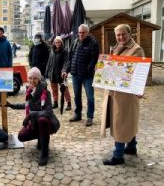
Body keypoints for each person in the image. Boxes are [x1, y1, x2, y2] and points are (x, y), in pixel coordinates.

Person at [101, 24, 145, 165]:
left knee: (121, 122)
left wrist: (112, 67)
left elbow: (135, 73)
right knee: (126, 122)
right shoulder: (116, 48)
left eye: (123, 34)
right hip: (116, 93)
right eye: (118, 35)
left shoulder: (136, 50)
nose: (120, 37)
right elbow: (111, 68)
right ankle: (131, 147)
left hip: (126, 96)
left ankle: (118, 156)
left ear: (129, 34)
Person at [7, 67, 60, 166]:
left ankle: (44, 153)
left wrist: (31, 114)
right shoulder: (30, 90)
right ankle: (41, 137)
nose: (32, 81)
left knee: (42, 120)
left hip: (49, 123)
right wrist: (12, 105)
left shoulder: (45, 92)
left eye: (35, 78)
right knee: (21, 136)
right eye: (30, 78)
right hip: (35, 122)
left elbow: (48, 111)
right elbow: (26, 105)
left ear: (39, 79)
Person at [62, 24, 99, 127]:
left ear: (88, 32)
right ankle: (78, 114)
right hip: (75, 75)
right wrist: (66, 70)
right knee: (77, 96)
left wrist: (88, 70)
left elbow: (94, 59)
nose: (81, 34)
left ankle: (90, 117)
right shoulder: (75, 42)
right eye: (79, 32)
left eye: (83, 32)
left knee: (90, 97)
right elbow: (70, 59)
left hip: (88, 76)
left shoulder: (93, 43)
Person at [45, 36, 72, 110]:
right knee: (54, 89)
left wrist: (64, 70)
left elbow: (66, 62)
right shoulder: (52, 50)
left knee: (64, 89)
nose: (57, 43)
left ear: (61, 43)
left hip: (61, 73)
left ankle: (69, 103)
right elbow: (49, 62)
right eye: (56, 42)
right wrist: (47, 72)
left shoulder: (64, 51)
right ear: (54, 43)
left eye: (59, 42)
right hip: (52, 73)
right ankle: (55, 102)